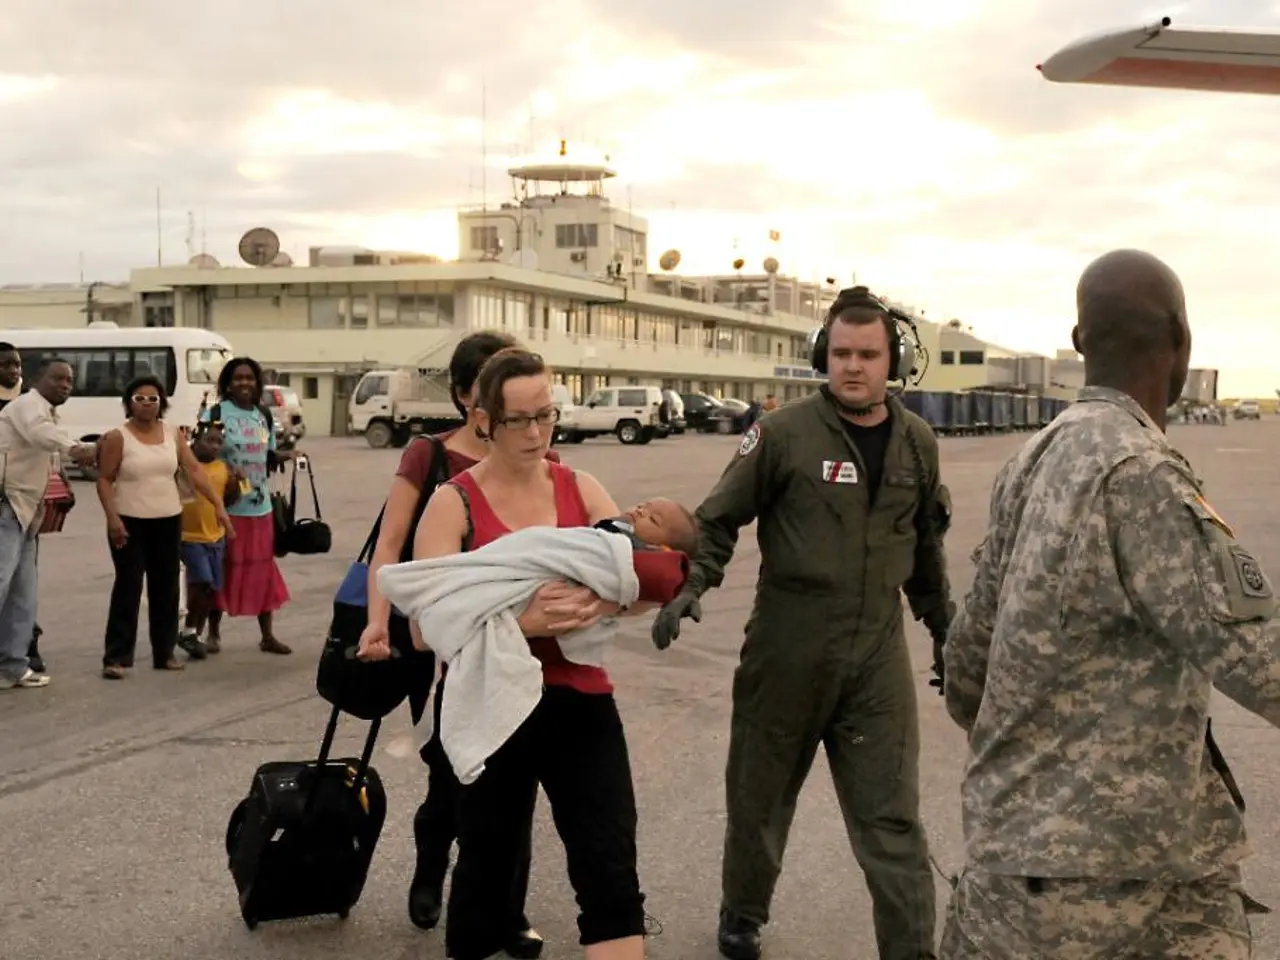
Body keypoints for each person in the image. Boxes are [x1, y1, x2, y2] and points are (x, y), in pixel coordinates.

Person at [939, 249, 1278, 959]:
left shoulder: (1030, 461)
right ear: (1181, 343)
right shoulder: (1144, 474)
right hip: (1108, 895)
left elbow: (967, 667)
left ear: (1078, 343)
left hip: (1012, 879)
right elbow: (1264, 660)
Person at [652, 285, 955, 960]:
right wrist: (691, 584)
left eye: (868, 354)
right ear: (823, 354)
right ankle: (742, 913)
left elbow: (926, 552)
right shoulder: (782, 435)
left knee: (892, 819)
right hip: (786, 650)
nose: (853, 366)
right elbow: (719, 519)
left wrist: (944, 631)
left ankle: (911, 950)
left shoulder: (916, 443)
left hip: (876, 659)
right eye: (841, 352)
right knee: (759, 799)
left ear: (893, 359)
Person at [414, 347, 650, 960]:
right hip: (491, 707)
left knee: (611, 873)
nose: (536, 432)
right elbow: (422, 627)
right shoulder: (453, 501)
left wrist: (607, 603)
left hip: (580, 701)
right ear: (483, 416)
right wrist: (519, 620)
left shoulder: (583, 487)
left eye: (545, 414)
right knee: (486, 878)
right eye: (518, 419)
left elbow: (639, 577)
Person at [355, 330, 545, 954]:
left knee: (513, 782)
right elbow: (391, 542)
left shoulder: (536, 453)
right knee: (450, 774)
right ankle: (432, 867)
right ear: (469, 396)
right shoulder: (429, 456)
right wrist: (377, 621)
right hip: (437, 638)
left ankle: (507, 911)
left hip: (513, 641)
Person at [96, 375, 232, 678]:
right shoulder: (118, 437)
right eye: (140, 398)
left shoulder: (172, 434)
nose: (146, 404)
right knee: (128, 586)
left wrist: (217, 505)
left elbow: (194, 469)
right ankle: (116, 657)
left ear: (162, 403)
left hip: (168, 519)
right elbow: (104, 479)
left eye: (153, 399)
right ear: (129, 402)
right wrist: (112, 518)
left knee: (166, 587)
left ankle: (164, 652)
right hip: (129, 521)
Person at [0, 357, 97, 688]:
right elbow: (41, 434)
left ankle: (12, 666)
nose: (65, 385)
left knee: (22, 594)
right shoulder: (28, 405)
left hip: (26, 511)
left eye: (69, 380)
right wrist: (75, 448)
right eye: (57, 378)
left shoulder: (47, 412)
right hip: (7, 507)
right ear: (38, 378)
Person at [200, 357, 295, 655]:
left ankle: (267, 636)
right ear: (228, 383)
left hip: (261, 508)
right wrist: (225, 472)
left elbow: (266, 456)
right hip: (225, 508)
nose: (244, 383)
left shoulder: (262, 414)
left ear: (257, 383)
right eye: (238, 378)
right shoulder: (215, 413)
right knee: (221, 569)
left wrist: (284, 455)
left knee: (263, 570)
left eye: (249, 378)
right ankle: (213, 633)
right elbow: (200, 453)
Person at [0, 342, 50, 675]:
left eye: (16, 364)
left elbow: (45, 447)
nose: (13, 370)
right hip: (5, 503)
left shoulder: (30, 403)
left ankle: (16, 660)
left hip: (28, 504)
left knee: (22, 587)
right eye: (5, 364)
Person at [177, 420, 241, 659]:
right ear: (195, 439)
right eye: (209, 440)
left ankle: (194, 632)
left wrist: (236, 484)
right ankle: (190, 630)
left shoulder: (223, 468)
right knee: (201, 581)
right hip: (189, 536)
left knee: (211, 588)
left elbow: (231, 500)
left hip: (216, 537)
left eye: (218, 442)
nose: (214, 447)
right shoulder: (183, 465)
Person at [594, 497, 699, 554]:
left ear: (663, 549)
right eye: (642, 506)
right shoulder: (615, 524)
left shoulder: (636, 552)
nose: (640, 511)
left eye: (653, 519)